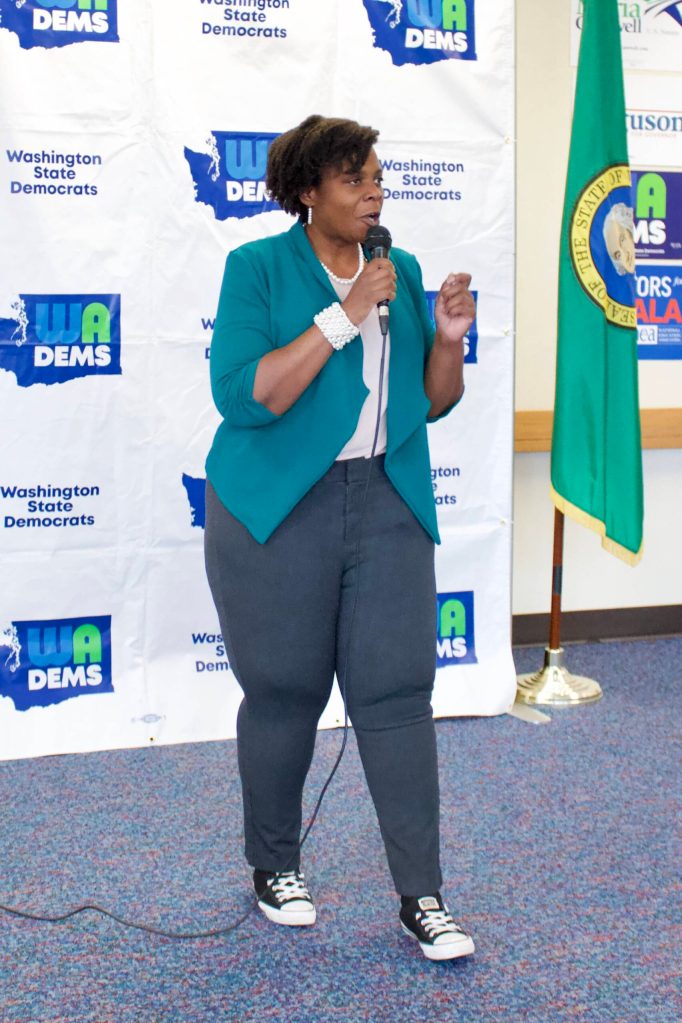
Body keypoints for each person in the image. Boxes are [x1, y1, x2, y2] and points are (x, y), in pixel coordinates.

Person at [204, 114, 475, 962]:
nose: (374, 191)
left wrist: (452, 343)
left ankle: (422, 895)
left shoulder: (402, 271)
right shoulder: (256, 269)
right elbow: (247, 395)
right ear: (308, 190)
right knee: (284, 691)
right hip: (279, 506)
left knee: (397, 693)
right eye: (355, 177)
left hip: (386, 500)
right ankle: (273, 866)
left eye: (378, 177)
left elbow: (430, 402)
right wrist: (345, 314)